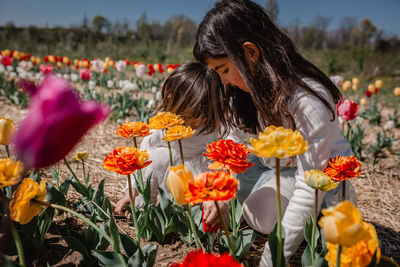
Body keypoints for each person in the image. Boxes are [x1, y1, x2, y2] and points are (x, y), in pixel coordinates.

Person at [193, 0, 355, 265]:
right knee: (203, 174)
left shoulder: (305, 100)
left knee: (260, 214)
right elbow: (236, 140)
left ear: (250, 53)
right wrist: (220, 191)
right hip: (270, 167)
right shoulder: (247, 91)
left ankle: (311, 223)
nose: (222, 81)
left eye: (223, 70)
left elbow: (309, 185)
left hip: (317, 181)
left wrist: (272, 257)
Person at [115, 62, 228, 225]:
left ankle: (202, 217)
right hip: (170, 187)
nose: (200, 119)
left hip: (203, 189)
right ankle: (146, 209)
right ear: (171, 99)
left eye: (206, 112)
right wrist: (131, 191)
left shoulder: (212, 129)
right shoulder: (162, 128)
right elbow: (140, 164)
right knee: (155, 158)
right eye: (194, 113)